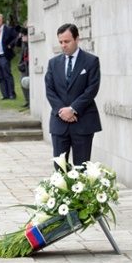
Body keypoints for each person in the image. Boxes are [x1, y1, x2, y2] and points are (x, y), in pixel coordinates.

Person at [45, 23, 102, 168]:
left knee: (81, 169)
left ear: (77, 39)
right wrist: (63, 111)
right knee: (60, 168)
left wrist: (73, 109)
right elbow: (50, 90)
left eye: (67, 41)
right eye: (60, 42)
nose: (63, 45)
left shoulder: (91, 61)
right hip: (59, 122)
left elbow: (92, 89)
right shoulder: (53, 63)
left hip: (83, 122)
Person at [0, 13, 17, 100]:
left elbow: (16, 37)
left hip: (4, 56)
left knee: (7, 75)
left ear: (2, 20)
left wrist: (11, 45)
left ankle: (12, 93)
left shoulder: (8, 29)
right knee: (0, 76)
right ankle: (5, 94)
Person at [17, 21, 30, 108]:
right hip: (24, 62)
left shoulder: (30, 37)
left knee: (29, 82)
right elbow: (17, 44)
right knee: (22, 81)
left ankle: (31, 100)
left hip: (30, 62)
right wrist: (20, 37)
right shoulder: (24, 36)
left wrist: (27, 41)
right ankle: (27, 99)